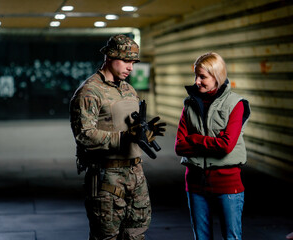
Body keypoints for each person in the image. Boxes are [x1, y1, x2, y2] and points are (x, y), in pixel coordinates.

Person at [70, 34, 166, 240]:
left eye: (133, 62)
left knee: (136, 234)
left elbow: (132, 130)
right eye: (126, 61)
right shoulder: (90, 91)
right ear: (109, 57)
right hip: (107, 177)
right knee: (106, 236)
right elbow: (84, 135)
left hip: (135, 174)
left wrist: (146, 133)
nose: (131, 67)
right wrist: (123, 138)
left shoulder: (129, 90)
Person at [175, 52, 251, 240]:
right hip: (195, 182)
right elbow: (179, 146)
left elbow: (226, 146)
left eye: (202, 76)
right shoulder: (189, 104)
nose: (197, 81)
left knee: (231, 238)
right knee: (201, 238)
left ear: (216, 76)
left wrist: (195, 139)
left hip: (227, 183)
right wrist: (209, 144)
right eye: (196, 76)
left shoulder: (236, 104)